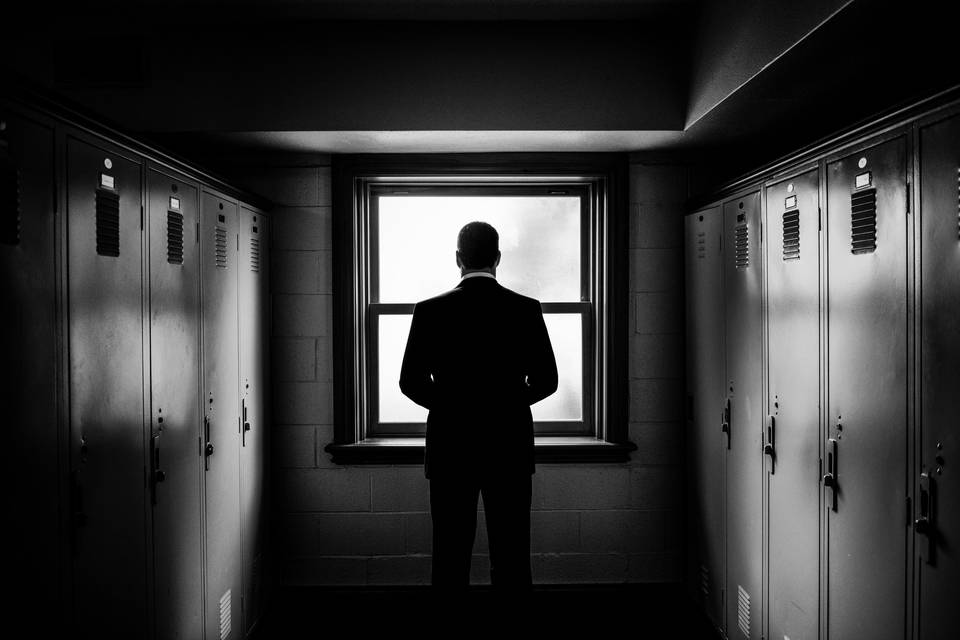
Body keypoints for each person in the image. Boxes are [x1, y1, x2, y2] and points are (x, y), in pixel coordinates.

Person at [399, 220, 558, 590]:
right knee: (512, 553)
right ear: (498, 257)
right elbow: (547, 382)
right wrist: (506, 404)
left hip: (451, 445)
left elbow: (410, 382)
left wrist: (453, 407)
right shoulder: (525, 309)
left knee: (450, 554)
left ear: (458, 258)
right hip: (509, 445)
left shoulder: (429, 311)